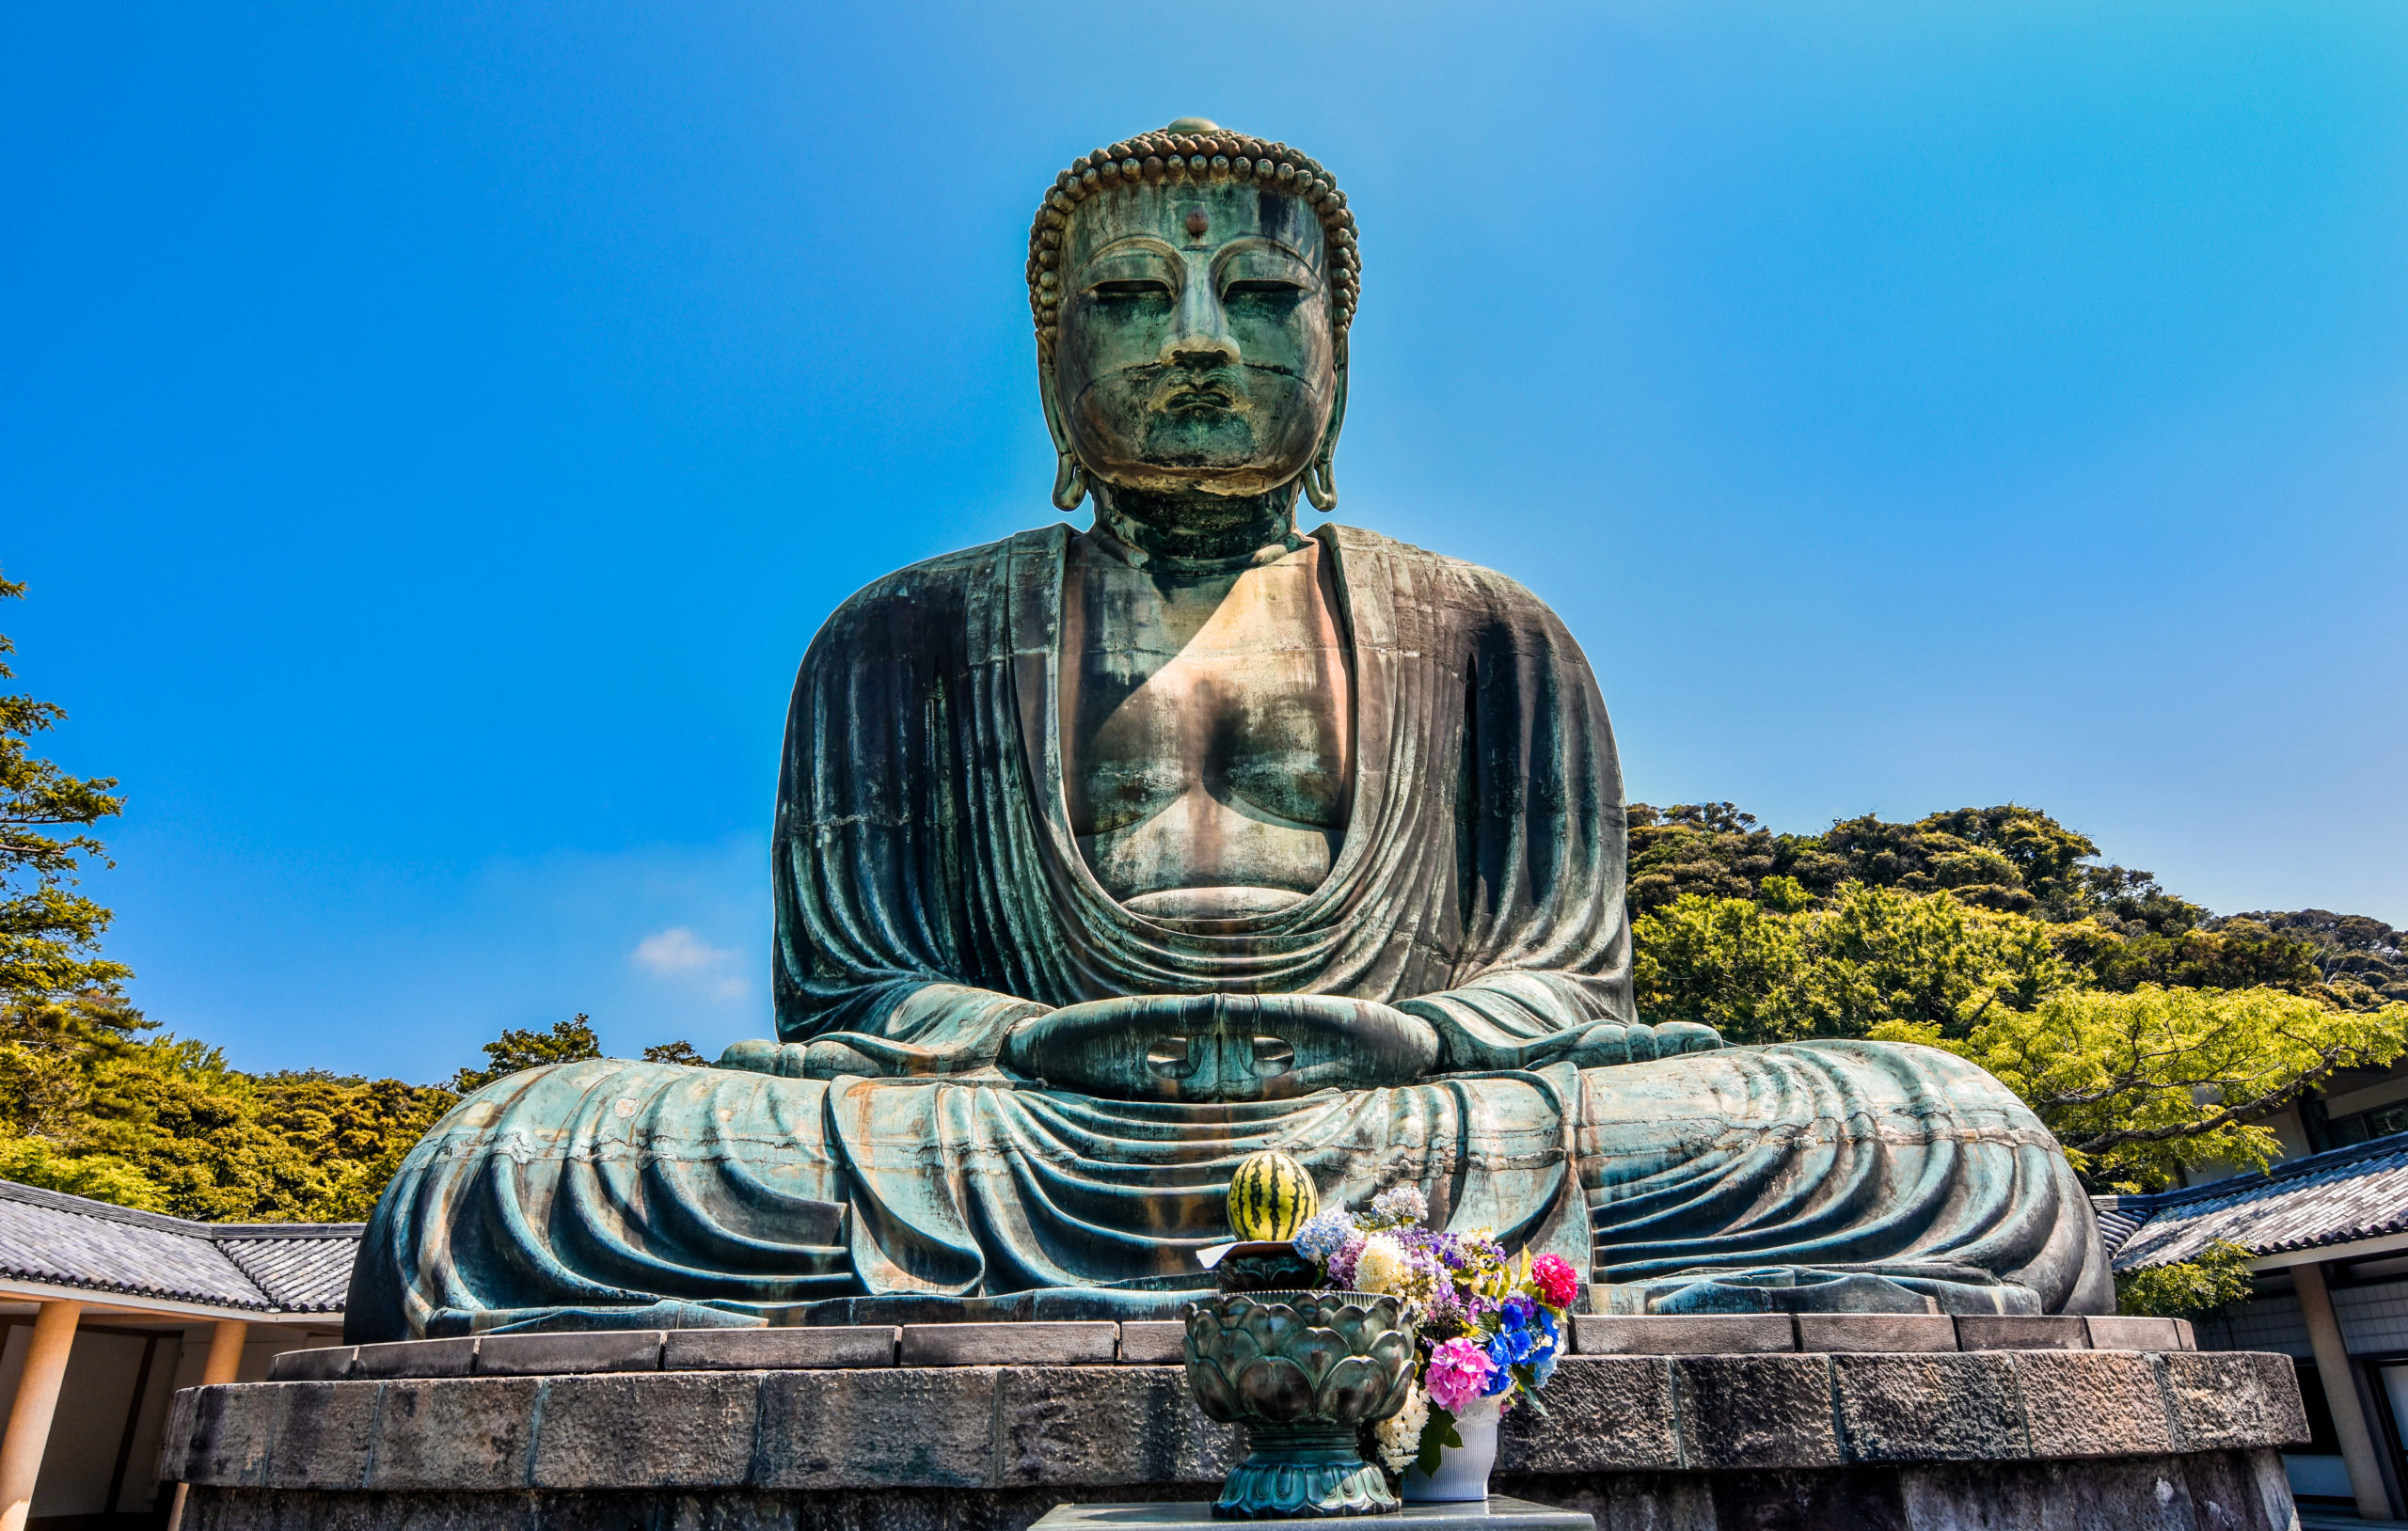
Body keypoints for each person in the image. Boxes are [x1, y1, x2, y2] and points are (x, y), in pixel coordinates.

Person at [345, 121, 2109, 1343]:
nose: (1198, 342)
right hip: (1012, 1138)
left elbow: (1570, 990)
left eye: (1260, 300)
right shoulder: (901, 637)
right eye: (1128, 303)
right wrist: (1042, 1047)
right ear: (1053, 359)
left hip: (1424, 1131)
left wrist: (1396, 1047)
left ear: (1340, 345)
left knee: (1948, 1143)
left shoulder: (1495, 636)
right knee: (519, 1166)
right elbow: (856, 999)